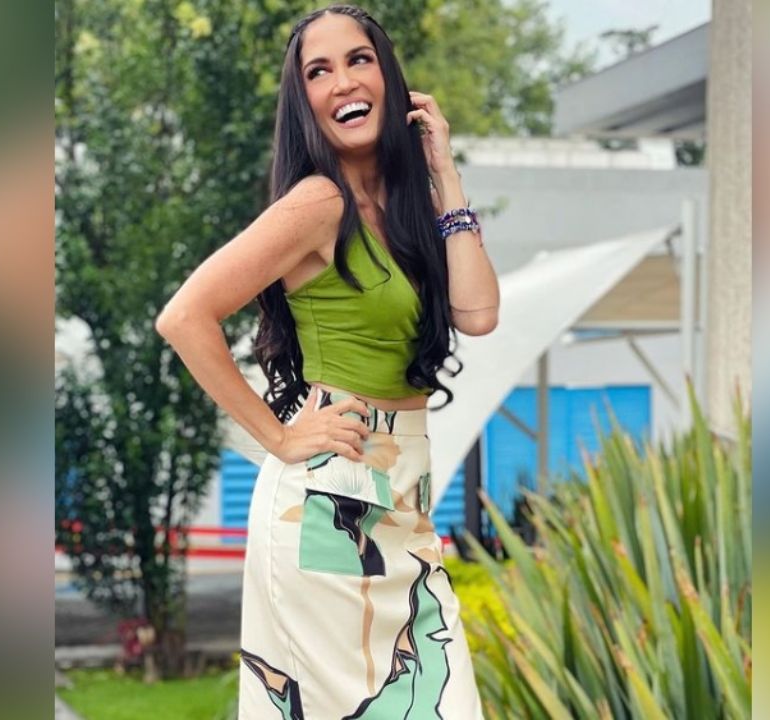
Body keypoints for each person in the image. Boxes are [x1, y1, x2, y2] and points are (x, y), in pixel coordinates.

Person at [156, 4, 499, 717]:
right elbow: (184, 317)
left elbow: (478, 313)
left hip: (404, 499)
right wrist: (279, 438)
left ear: (388, 78)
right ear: (305, 101)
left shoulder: (406, 208)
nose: (343, 81)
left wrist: (444, 171)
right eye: (319, 71)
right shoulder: (318, 204)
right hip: (332, 499)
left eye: (358, 60)